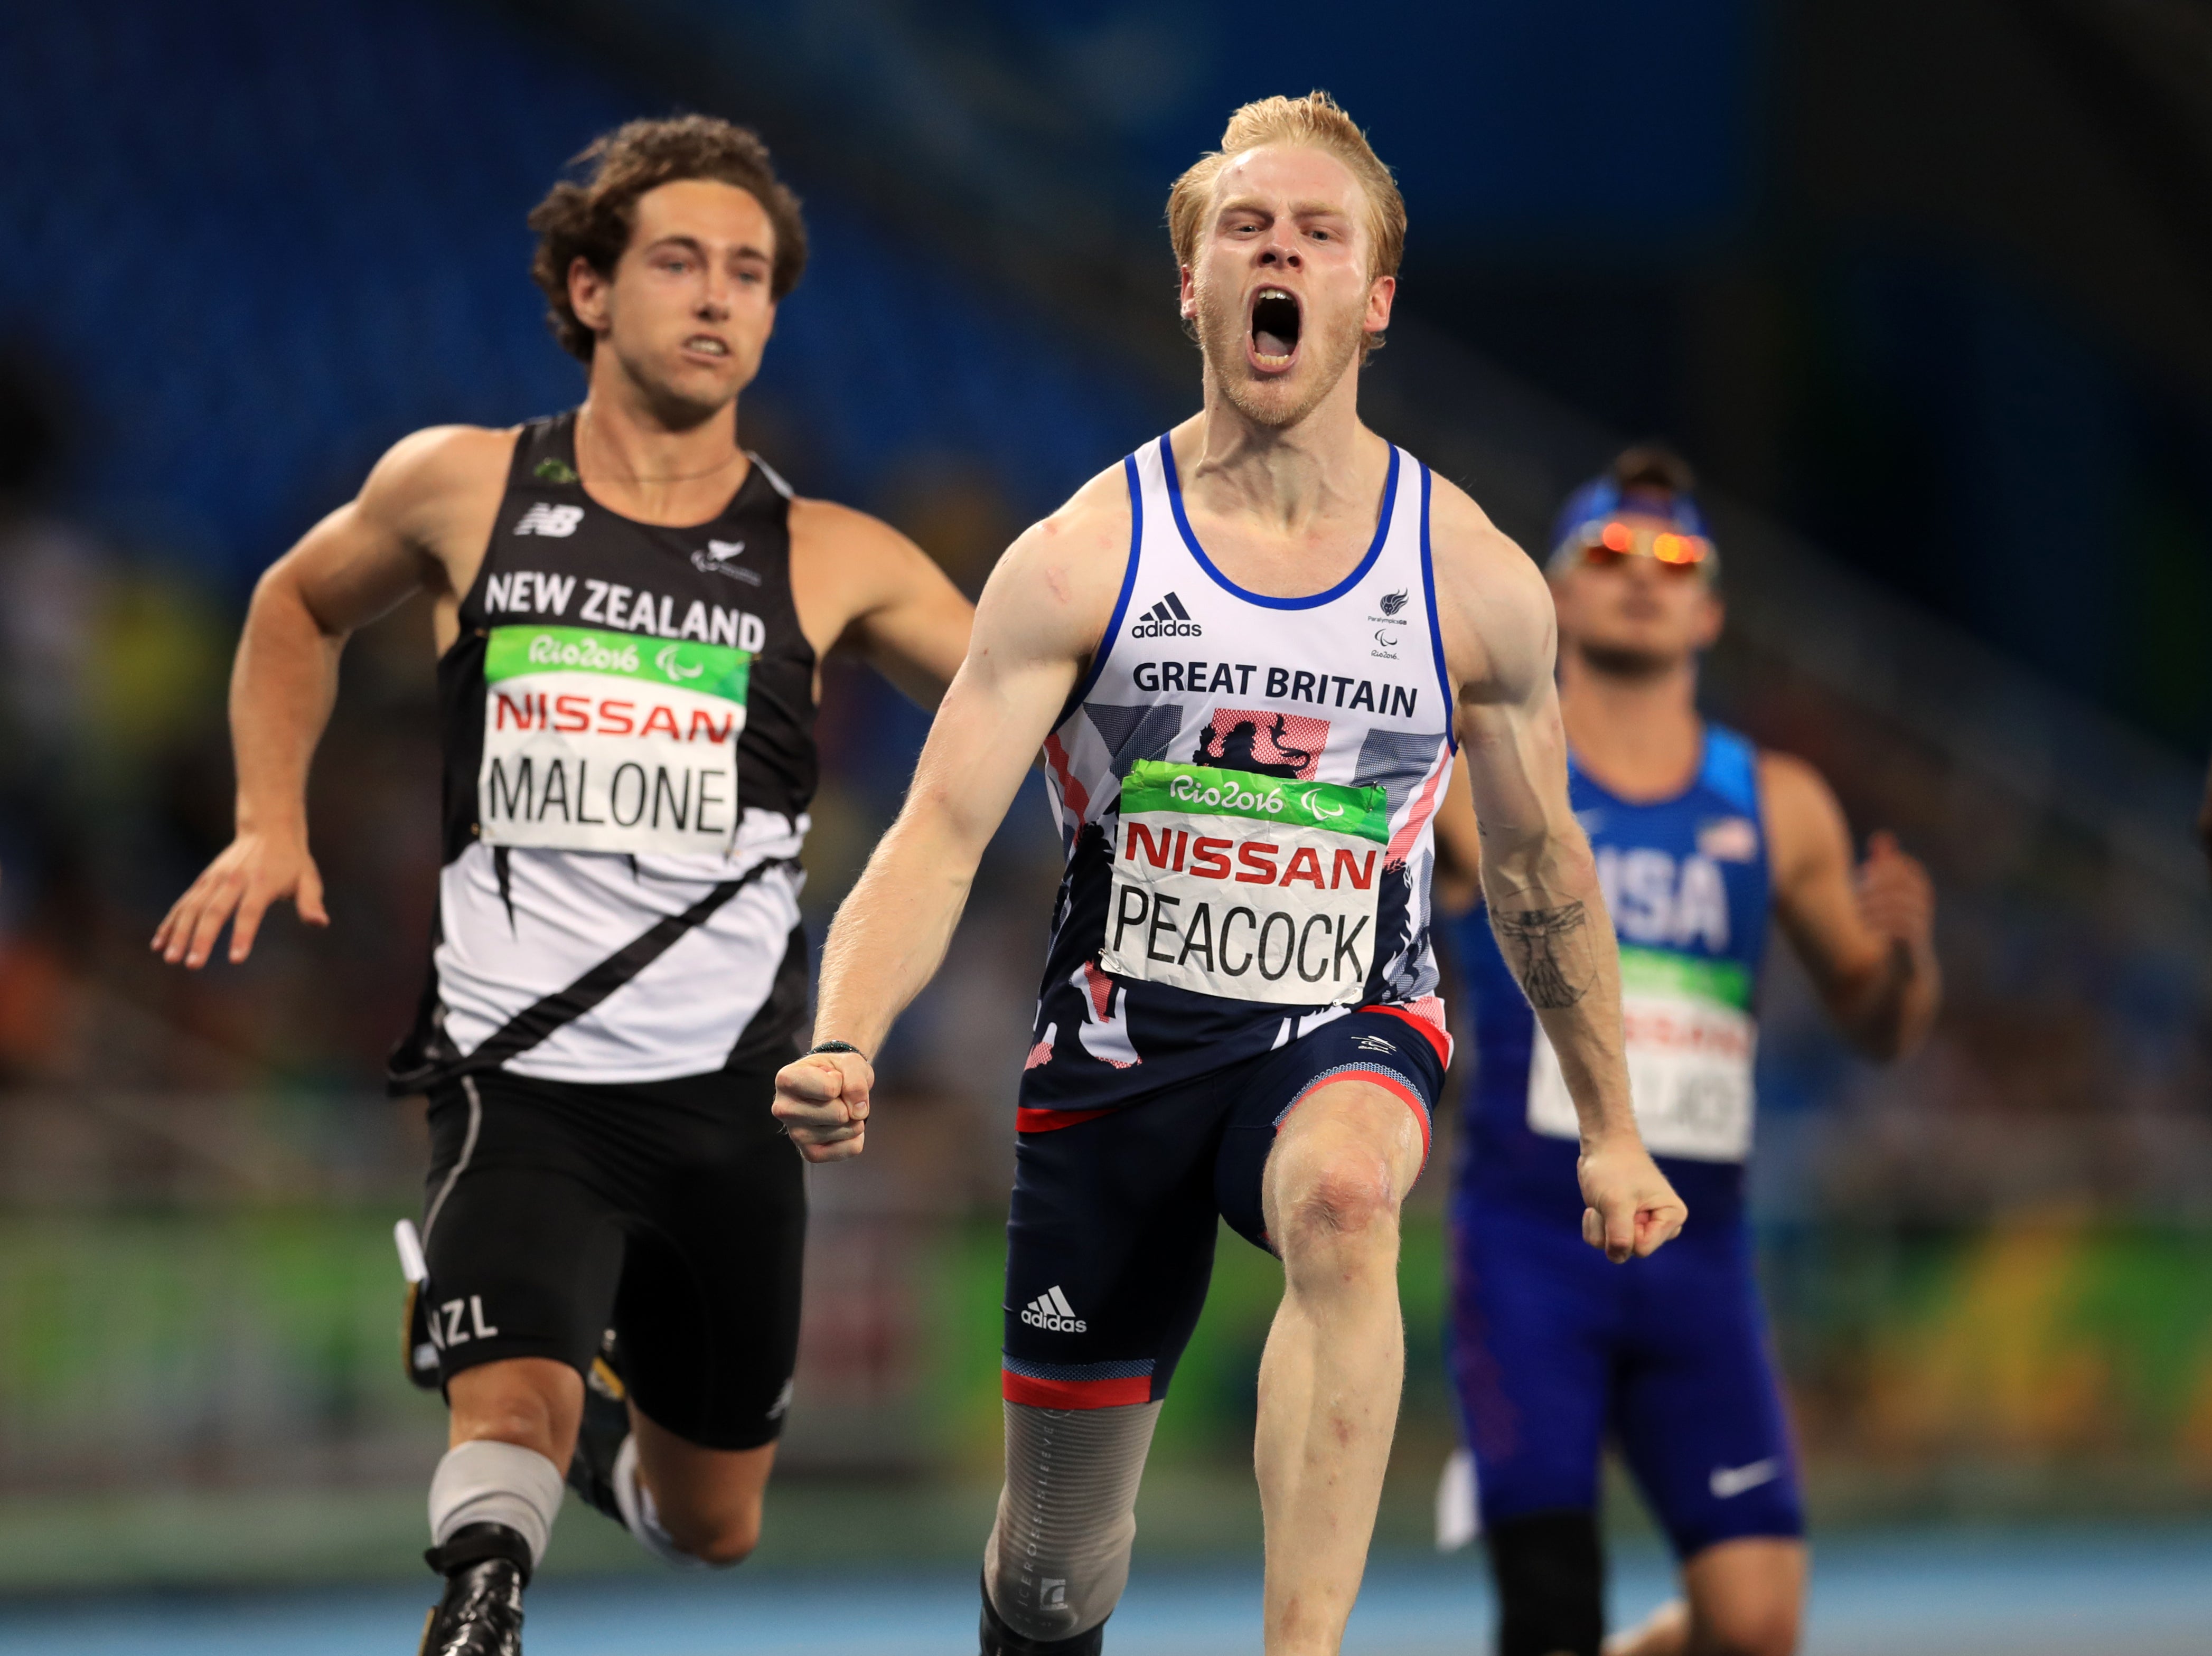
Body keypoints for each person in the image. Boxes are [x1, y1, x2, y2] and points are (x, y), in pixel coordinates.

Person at [771, 93, 1686, 1656]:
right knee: (1054, 1568)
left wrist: (1612, 1125)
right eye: (1245, 230)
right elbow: (934, 831)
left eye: (1319, 233)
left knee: (1344, 1203)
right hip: (1116, 1063)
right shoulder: (1078, 559)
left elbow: (1538, 865)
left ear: (1372, 299)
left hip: (1347, 1025)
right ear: (1191, 281)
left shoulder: (1466, 576)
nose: (1281, 254)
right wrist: (844, 1027)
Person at [151, 117, 973, 1655]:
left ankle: (590, 1442)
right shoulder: (463, 488)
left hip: (733, 1102)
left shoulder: (837, 556)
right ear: (590, 290)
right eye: (677, 261)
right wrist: (273, 819)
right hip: (516, 1077)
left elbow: (1027, 696)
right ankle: (481, 1596)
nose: (716, 296)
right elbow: (290, 606)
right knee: (510, 1403)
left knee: (712, 1526)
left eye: (748, 273)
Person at [1432, 446, 1941, 1656]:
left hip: (1700, 1262)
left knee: (1758, 1628)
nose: (1642, 578)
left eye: (1675, 562)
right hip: (1527, 1254)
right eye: (1609, 554)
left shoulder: (1778, 802)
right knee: (1547, 1609)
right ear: (1550, 593)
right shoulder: (1477, 771)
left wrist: (1908, 962)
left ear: (1711, 607)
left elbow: (1880, 1028)